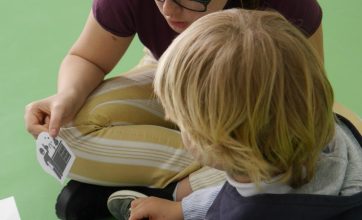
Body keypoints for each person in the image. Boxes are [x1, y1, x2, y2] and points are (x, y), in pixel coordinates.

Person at [24, 0, 329, 219]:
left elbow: (306, 107)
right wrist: (67, 95)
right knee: (65, 130)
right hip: (177, 76)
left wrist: (182, 204)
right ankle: (212, 178)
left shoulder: (290, 8)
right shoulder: (174, 68)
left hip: (257, 107)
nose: (168, 9)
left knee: (280, 164)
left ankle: (185, 185)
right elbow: (88, 56)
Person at [109, 8, 362, 220]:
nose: (170, 120)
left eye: (183, 122)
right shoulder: (329, 138)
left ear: (224, 144)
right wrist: (183, 209)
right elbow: (245, 188)